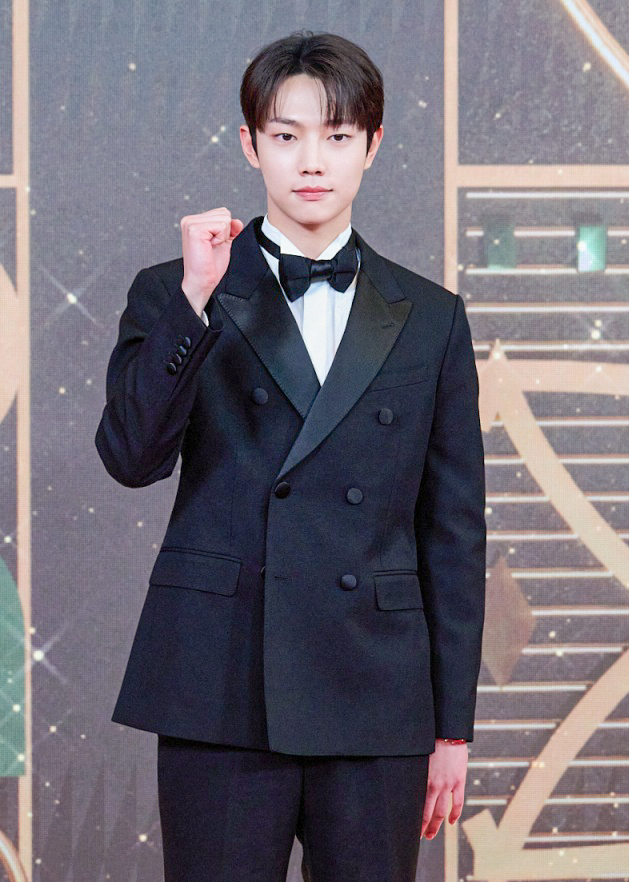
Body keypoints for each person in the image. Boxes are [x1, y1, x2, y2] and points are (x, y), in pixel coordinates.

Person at [95, 29, 486, 882]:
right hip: (220, 682)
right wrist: (196, 299)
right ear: (250, 144)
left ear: (371, 145)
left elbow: (453, 534)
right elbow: (129, 457)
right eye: (286, 135)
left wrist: (451, 728)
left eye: (337, 136)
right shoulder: (178, 288)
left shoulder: (430, 317)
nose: (312, 161)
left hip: (374, 691)